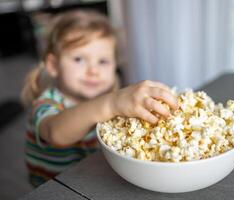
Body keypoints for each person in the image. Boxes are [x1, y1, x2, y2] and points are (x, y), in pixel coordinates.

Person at [21, 9, 178, 187]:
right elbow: (55, 133)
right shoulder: (46, 103)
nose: (93, 71)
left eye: (102, 62)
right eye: (79, 59)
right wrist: (111, 104)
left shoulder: (105, 97)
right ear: (53, 65)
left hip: (93, 180)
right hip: (55, 189)